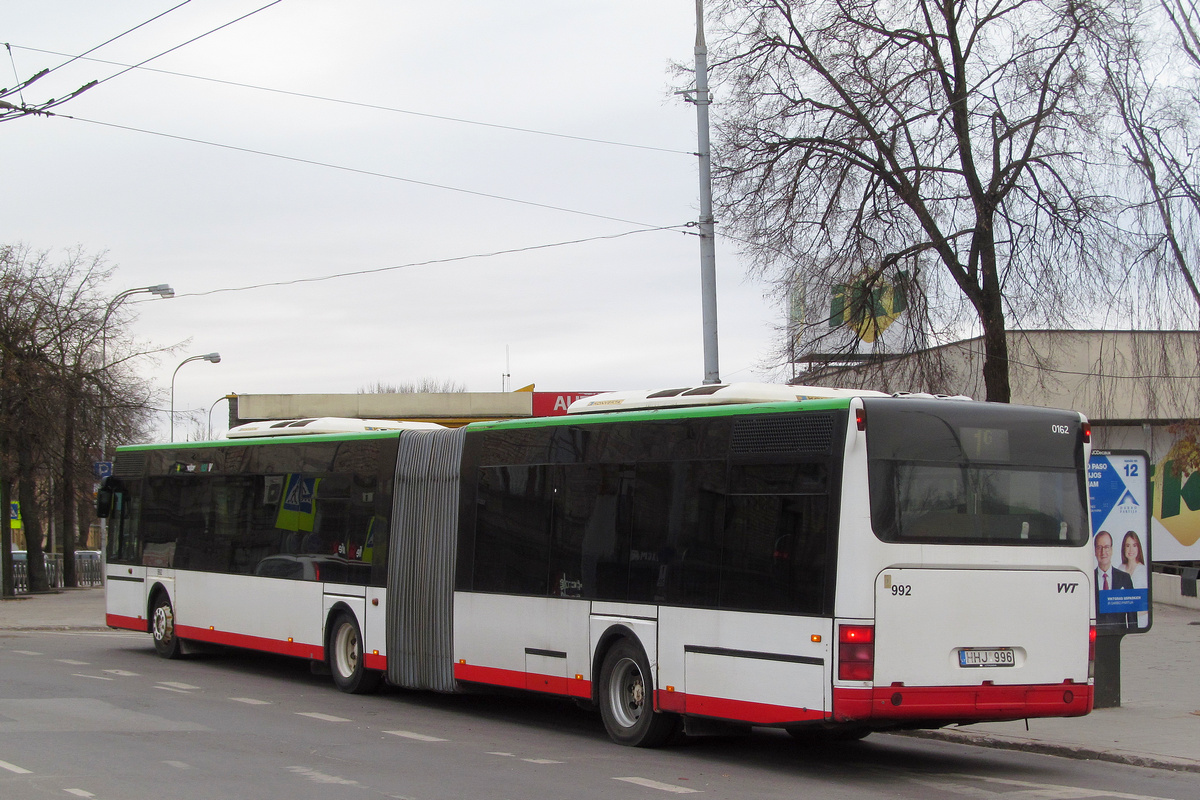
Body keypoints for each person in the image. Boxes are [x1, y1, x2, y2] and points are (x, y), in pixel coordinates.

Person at [1094, 530, 1135, 630]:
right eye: (1099, 547)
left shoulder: (1124, 578)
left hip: (1119, 634)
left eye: (1107, 547)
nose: (1103, 552)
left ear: (1111, 550)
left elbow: (1132, 613)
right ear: (1095, 551)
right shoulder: (1088, 579)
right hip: (1095, 634)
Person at [1121, 531, 1149, 628]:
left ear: (1138, 548)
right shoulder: (1120, 568)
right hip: (1122, 622)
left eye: (1134, 545)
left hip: (1140, 621)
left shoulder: (1143, 571)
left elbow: (1147, 603)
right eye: (1128, 545)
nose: (1131, 549)